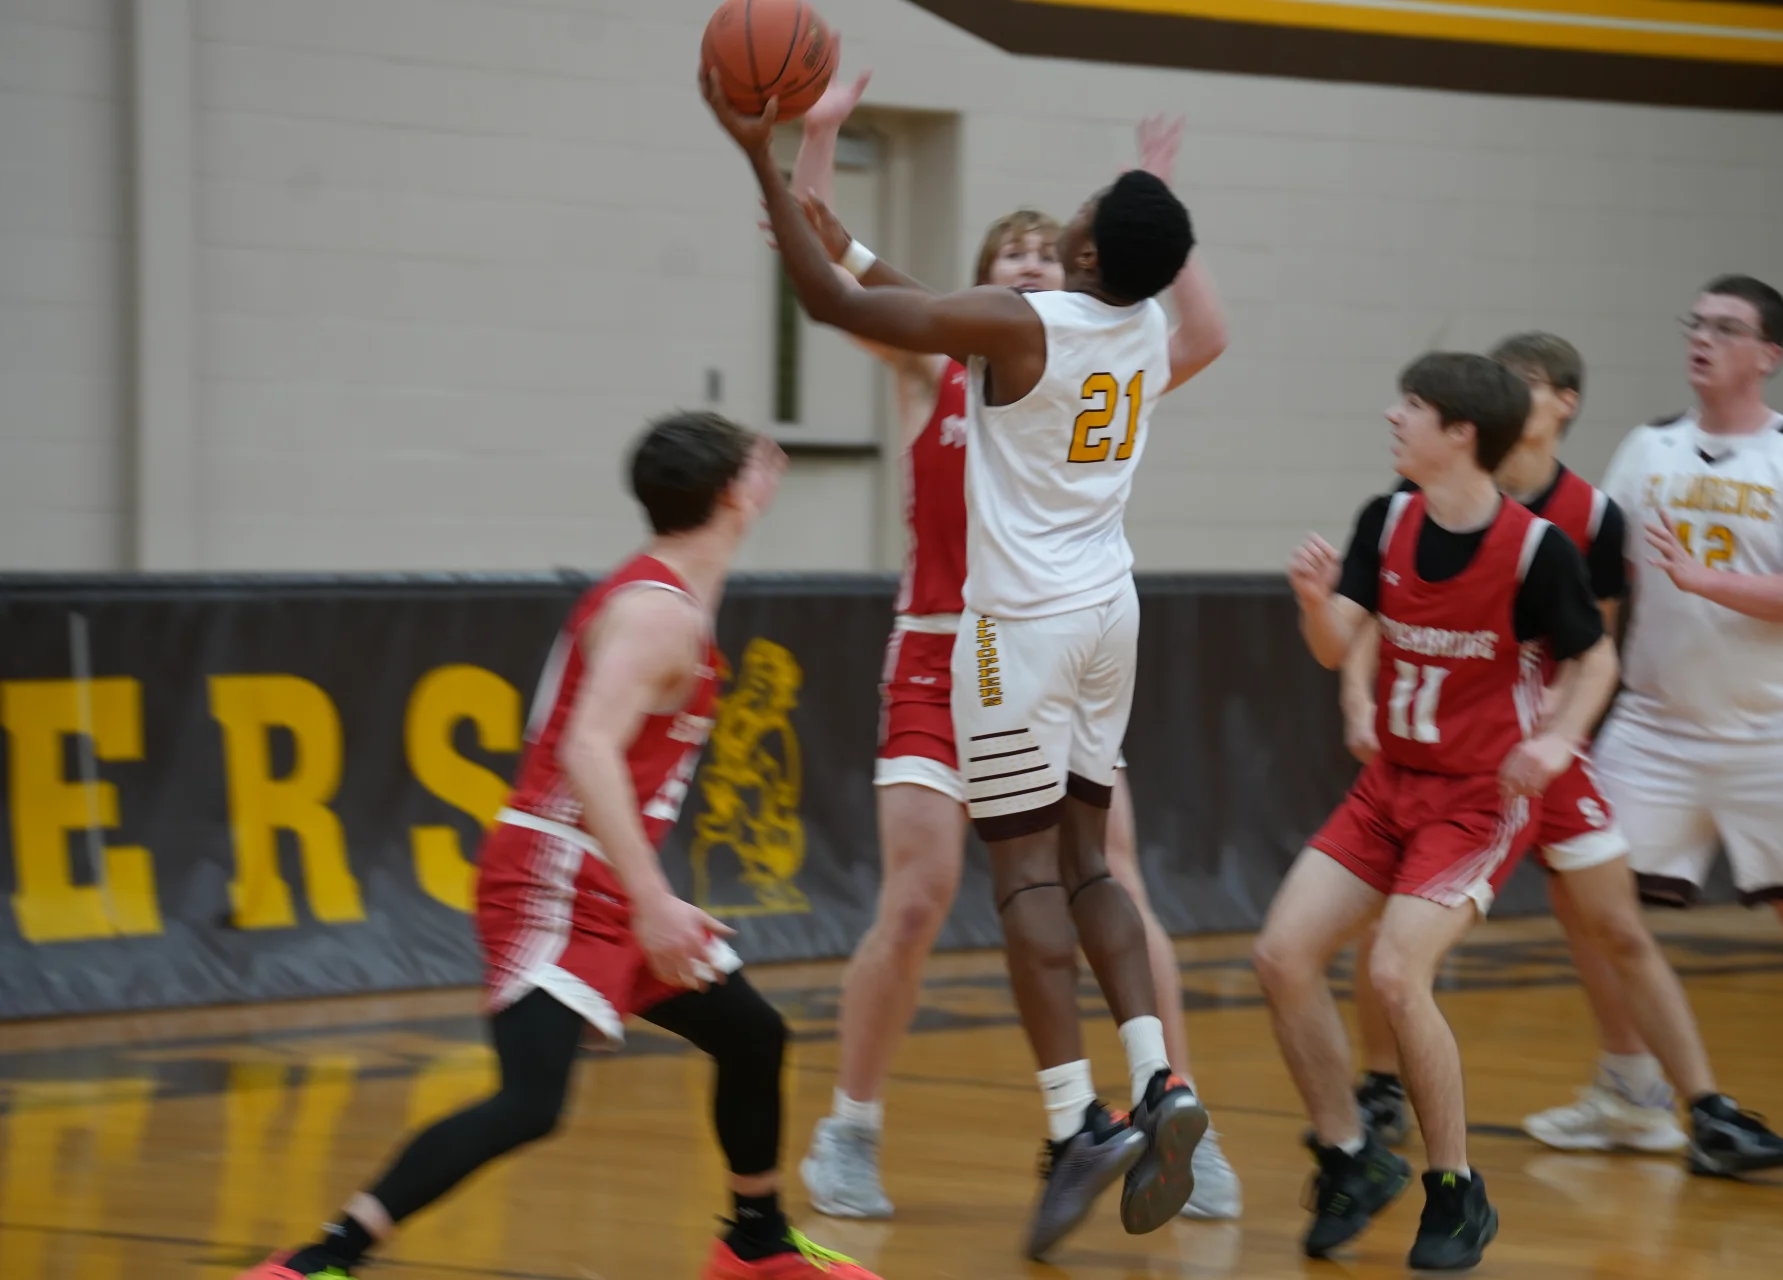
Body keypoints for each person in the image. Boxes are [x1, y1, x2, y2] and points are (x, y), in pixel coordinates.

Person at [703, 68, 1220, 1259]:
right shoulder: (1142, 326)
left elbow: (829, 296)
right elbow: (883, 274)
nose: (1063, 223)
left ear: (1083, 254)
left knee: (1024, 877)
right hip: (1111, 615)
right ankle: (1158, 1079)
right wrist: (821, 172)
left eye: (1076, 220)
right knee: (1094, 863)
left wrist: (755, 155)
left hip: (1014, 629)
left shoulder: (1019, 325)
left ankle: (1074, 1120)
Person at [239, 414, 882, 1280]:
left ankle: (756, 1244)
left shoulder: (677, 590)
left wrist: (642, 892)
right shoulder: (657, 614)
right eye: (753, 467)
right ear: (733, 492)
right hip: (552, 875)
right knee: (530, 1102)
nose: (770, 473)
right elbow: (586, 749)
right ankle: (321, 1259)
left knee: (751, 1034)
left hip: (601, 873)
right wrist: (652, 898)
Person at [1342, 334, 1783, 1176]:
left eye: (1526, 383)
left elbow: (1594, 646)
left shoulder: (1589, 517)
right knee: (1391, 928)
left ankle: (1706, 1110)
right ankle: (1380, 1084)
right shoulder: (1417, 500)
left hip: (1537, 754)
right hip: (1444, 754)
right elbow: (1375, 617)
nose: (1509, 394)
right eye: (1500, 382)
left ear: (1564, 403)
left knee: (1617, 925)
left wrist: (1556, 736)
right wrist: (1357, 700)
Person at [1544, 275, 1783, 1167]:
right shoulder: (1649, 447)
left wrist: (1707, 581)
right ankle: (1630, 1091)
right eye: (1697, 323)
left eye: (1726, 327)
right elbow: (1600, 568)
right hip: (1657, 728)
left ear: (1768, 355)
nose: (1703, 338)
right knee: (1589, 904)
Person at [1256, 353, 1620, 1270]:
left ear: (1460, 433)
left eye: (1412, 405)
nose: (1393, 416)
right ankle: (1350, 1156)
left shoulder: (1537, 551)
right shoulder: (1386, 519)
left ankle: (1457, 1191)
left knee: (1393, 973)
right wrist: (1313, 604)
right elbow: (1335, 645)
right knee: (1281, 956)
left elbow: (1597, 658)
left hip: (1475, 803)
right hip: (1389, 788)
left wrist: (1558, 741)